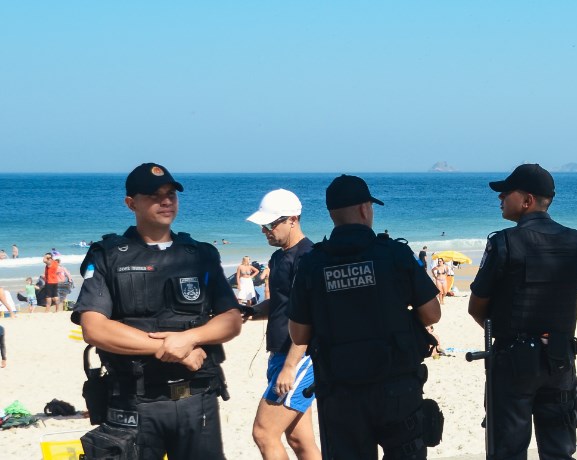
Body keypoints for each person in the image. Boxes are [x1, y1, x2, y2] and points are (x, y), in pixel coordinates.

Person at [72, 163, 243, 458]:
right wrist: (168, 346)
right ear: (131, 203)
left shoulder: (200, 255)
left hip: (197, 399)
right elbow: (94, 328)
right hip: (133, 403)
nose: (166, 201)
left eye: (171, 195)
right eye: (154, 195)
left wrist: (190, 338)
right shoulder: (107, 256)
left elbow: (231, 319)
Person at [288, 174, 442, 459]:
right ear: (364, 208)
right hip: (396, 386)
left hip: (340, 391)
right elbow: (432, 312)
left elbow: (298, 334)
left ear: (332, 214)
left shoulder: (312, 264)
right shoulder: (394, 254)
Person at [468, 164, 577, 459]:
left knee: (508, 451)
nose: (500, 199)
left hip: (513, 360)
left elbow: (477, 305)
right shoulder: (576, 242)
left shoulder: (505, 242)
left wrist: (503, 327)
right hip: (560, 357)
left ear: (527, 200)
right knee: (559, 451)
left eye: (505, 193)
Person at [244, 189, 320, 460]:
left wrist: (290, 366)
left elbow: (309, 316)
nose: (265, 230)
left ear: (293, 219)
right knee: (300, 439)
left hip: (299, 357)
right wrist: (249, 312)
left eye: (271, 224)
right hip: (280, 355)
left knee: (263, 433)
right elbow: (279, 305)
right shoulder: (278, 258)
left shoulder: (308, 257)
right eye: (263, 225)